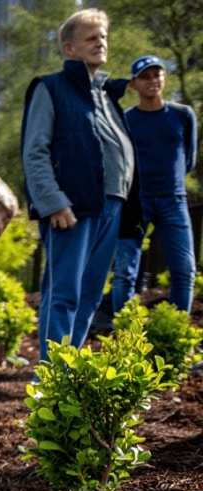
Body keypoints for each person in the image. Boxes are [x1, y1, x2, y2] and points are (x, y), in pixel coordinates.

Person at [21, 8, 135, 362]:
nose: (100, 42)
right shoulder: (50, 87)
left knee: (89, 296)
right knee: (64, 293)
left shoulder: (107, 95)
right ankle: (51, 379)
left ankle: (66, 372)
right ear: (69, 49)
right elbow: (35, 149)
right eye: (91, 37)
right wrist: (52, 200)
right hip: (71, 208)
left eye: (103, 37)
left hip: (112, 206)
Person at [113, 55, 197, 313]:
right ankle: (124, 334)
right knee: (125, 271)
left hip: (174, 200)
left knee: (184, 270)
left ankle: (175, 333)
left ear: (164, 78)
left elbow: (189, 159)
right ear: (133, 85)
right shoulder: (125, 120)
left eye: (156, 74)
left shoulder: (183, 115)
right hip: (135, 202)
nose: (152, 81)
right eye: (145, 77)